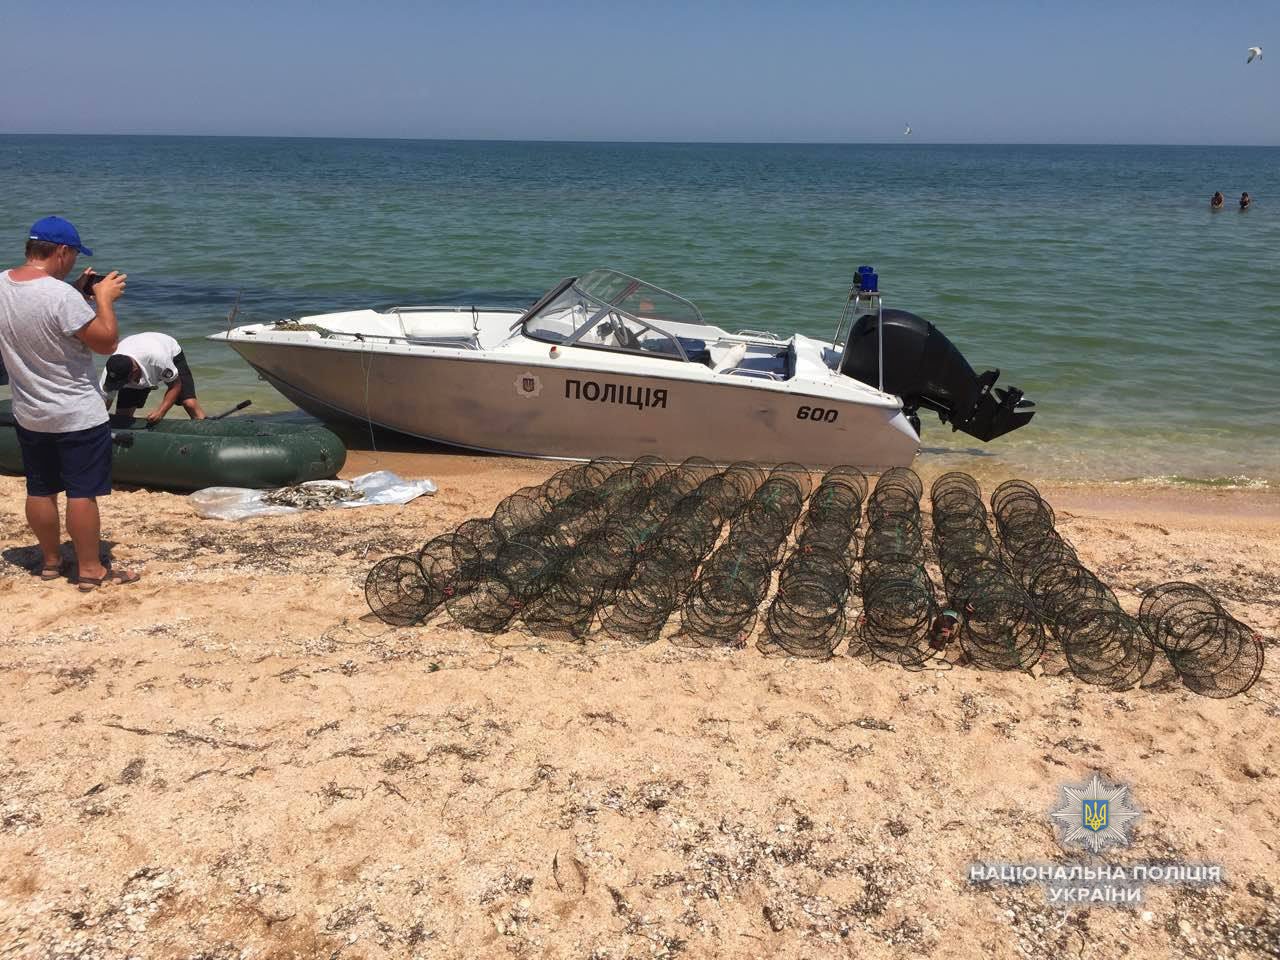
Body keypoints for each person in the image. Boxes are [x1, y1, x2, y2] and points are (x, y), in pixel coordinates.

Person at [0, 216, 139, 590]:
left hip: (30, 410)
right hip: (76, 412)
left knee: (40, 488)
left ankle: (49, 561)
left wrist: (78, 294)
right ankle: (91, 569)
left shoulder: (2, 284)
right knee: (82, 493)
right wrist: (104, 300)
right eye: (74, 255)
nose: (75, 263)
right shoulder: (60, 296)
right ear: (61, 251)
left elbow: (42, 322)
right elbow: (107, 342)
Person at [101, 332, 206, 422]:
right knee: (122, 417)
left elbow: (175, 386)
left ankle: (207, 429)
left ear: (134, 372)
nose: (122, 385)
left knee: (189, 403)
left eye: (124, 382)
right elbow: (105, 403)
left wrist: (161, 411)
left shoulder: (158, 359)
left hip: (169, 351)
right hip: (137, 352)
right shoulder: (112, 369)